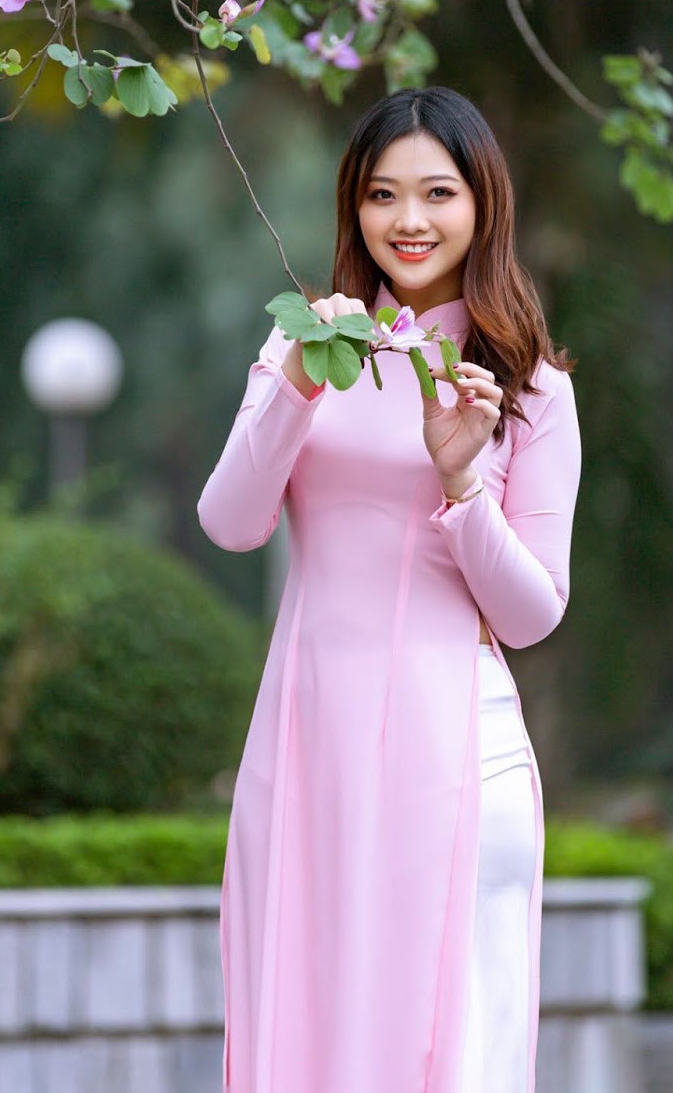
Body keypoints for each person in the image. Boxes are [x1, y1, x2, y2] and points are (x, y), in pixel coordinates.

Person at [197, 85, 582, 1093]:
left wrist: (462, 479)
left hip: (455, 751)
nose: (409, 221)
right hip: (305, 744)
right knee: (298, 1028)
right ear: (352, 209)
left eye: (437, 193)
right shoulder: (302, 350)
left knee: (446, 1048)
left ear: (482, 205)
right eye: (382, 195)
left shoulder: (528, 388)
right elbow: (230, 522)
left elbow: (532, 612)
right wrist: (296, 388)